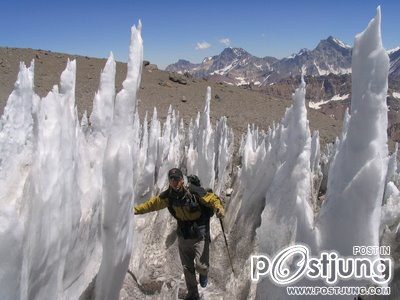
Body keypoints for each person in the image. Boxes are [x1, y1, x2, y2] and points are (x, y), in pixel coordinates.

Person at [134, 168, 225, 300]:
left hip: (200, 233)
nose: (174, 182)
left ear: (182, 179)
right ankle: (193, 293)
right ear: (169, 182)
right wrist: (134, 210)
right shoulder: (168, 196)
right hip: (183, 235)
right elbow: (151, 205)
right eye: (172, 179)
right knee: (187, 268)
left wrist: (219, 208)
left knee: (201, 266)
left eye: (177, 179)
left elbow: (212, 199)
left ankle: (204, 273)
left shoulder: (194, 191)